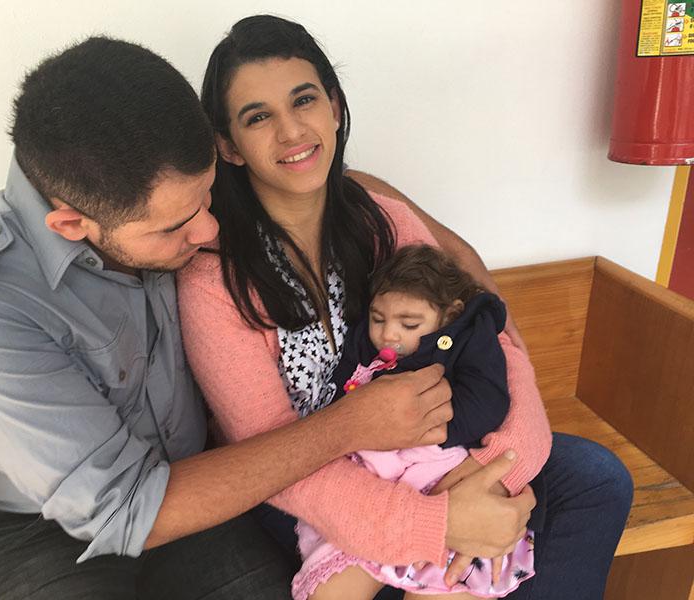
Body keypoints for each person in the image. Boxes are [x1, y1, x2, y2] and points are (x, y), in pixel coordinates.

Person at [0, 36, 461, 600]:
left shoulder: (160, 191)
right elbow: (125, 510)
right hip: (37, 528)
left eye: (208, 198)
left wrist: (474, 284)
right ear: (73, 225)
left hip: (194, 481)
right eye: (176, 226)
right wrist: (352, 424)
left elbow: (342, 186)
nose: (208, 232)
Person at [179, 14, 634, 600]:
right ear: (228, 146)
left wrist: (491, 473)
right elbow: (271, 458)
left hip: (437, 453)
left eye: (304, 100)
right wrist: (438, 522)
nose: (291, 132)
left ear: (335, 107)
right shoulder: (216, 278)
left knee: (595, 481)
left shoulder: (381, 220)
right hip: (311, 486)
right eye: (258, 117)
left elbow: (493, 341)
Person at [293, 244, 535, 600]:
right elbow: (342, 393)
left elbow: (488, 401)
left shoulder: (470, 338)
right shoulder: (367, 340)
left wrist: (426, 430)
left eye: (409, 324)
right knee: (331, 582)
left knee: (446, 580)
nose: (389, 335)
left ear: (448, 315)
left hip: (439, 463)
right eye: (379, 319)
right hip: (370, 476)